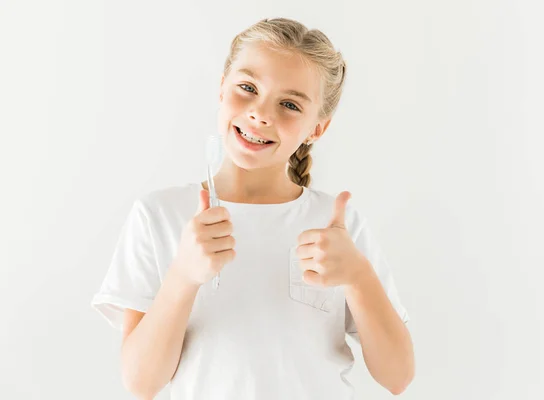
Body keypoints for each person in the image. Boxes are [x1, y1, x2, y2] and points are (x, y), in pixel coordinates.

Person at [92, 17, 414, 400]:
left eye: (290, 104)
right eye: (247, 88)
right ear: (221, 88)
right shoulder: (159, 215)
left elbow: (397, 377)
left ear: (317, 129)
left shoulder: (337, 227)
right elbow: (141, 384)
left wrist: (359, 276)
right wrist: (183, 276)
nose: (261, 113)